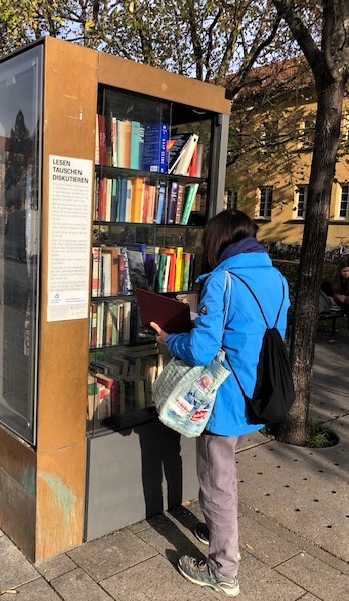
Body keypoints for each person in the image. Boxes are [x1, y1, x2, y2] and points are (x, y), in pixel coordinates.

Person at [150, 209, 290, 598]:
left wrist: (169, 339)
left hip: (223, 398)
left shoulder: (222, 280)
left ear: (218, 241)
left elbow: (200, 349)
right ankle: (216, 529)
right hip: (256, 392)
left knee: (216, 482)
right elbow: (259, 333)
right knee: (223, 474)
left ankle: (223, 569)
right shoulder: (277, 278)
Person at [330, 257, 349, 323]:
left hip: (347, 302)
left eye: (348, 271)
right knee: (325, 285)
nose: (346, 273)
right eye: (344, 271)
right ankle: (334, 305)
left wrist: (345, 299)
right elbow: (334, 290)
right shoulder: (337, 280)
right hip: (338, 300)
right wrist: (337, 296)